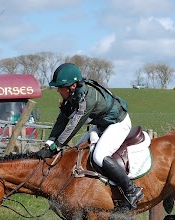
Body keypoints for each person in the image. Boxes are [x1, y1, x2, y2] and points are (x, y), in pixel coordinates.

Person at [36, 63, 143, 209]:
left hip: (118, 123)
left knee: (99, 156)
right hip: (102, 125)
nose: (58, 91)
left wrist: (57, 146)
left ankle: (131, 190)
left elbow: (74, 125)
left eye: (60, 87)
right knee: (76, 151)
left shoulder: (88, 99)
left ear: (72, 86)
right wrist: (49, 143)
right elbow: (61, 121)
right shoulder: (72, 96)